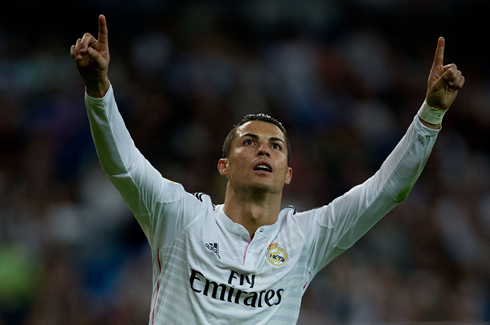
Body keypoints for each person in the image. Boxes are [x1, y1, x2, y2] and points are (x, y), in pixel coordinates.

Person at [70, 15, 464, 325]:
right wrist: (98, 91)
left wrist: (430, 115)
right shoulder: (180, 217)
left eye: (276, 146)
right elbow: (123, 164)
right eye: (249, 142)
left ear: (287, 173)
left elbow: (386, 190)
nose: (264, 149)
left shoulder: (306, 239)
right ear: (224, 166)